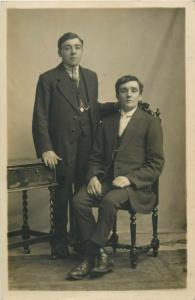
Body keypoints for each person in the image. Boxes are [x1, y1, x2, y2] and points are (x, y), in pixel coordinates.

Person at [67, 74, 164, 280]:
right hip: (107, 181)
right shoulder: (107, 122)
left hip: (136, 187)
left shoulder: (151, 122)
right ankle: (101, 255)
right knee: (79, 201)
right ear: (117, 95)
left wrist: (129, 179)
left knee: (109, 201)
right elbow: (95, 156)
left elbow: (156, 164)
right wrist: (93, 176)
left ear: (140, 94)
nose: (129, 94)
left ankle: (89, 256)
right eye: (124, 90)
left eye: (133, 90)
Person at [32, 32, 117, 258]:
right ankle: (59, 243)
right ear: (60, 52)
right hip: (60, 149)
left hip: (87, 149)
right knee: (61, 196)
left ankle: (80, 240)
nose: (73, 51)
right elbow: (40, 116)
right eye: (67, 47)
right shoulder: (48, 78)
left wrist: (118, 106)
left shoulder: (91, 76)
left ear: (82, 50)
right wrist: (46, 148)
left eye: (77, 47)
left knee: (81, 195)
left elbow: (93, 108)